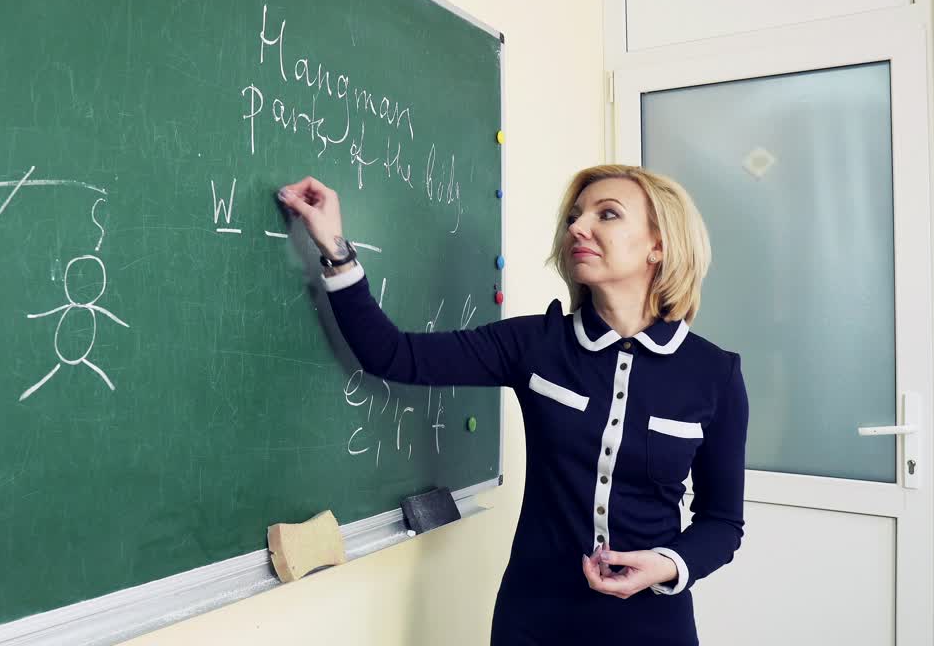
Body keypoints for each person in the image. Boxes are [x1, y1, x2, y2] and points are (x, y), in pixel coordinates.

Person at [277, 164, 748, 645]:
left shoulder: (715, 374)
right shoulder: (535, 344)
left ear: (659, 245)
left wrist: (667, 564)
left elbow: (722, 522)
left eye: (607, 214)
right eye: (574, 218)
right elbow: (393, 354)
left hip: (653, 626)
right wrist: (335, 249)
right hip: (534, 618)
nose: (577, 228)